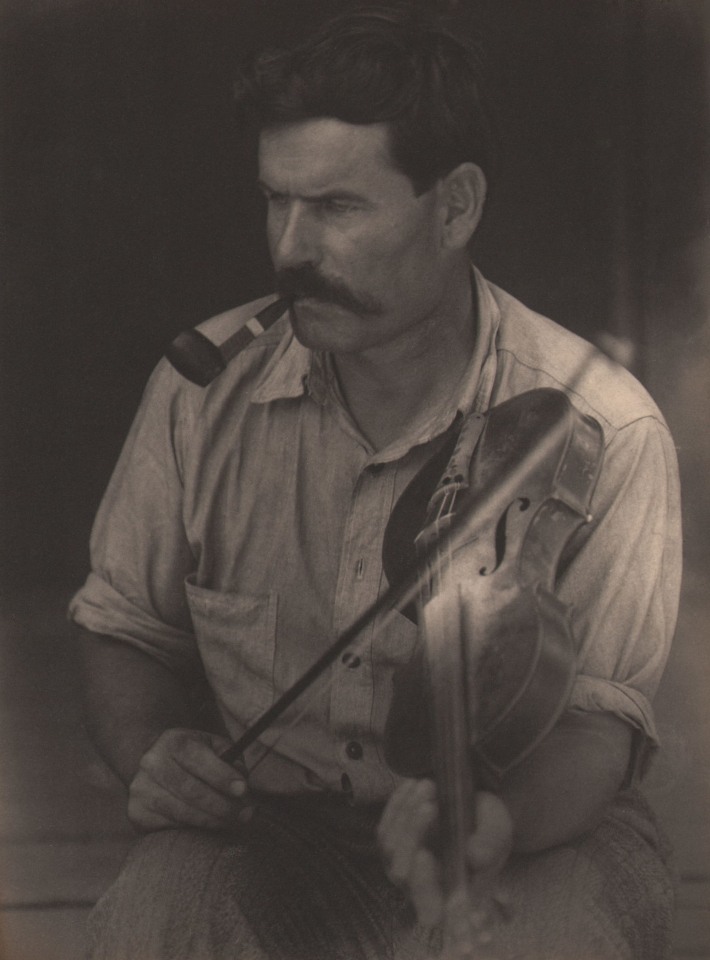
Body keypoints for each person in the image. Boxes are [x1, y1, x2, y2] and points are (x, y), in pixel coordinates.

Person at [69, 5, 682, 959]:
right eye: (278, 201)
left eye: (338, 208)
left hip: (528, 838)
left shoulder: (612, 429)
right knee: (150, 926)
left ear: (456, 206)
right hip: (271, 835)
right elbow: (122, 627)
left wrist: (494, 823)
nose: (290, 250)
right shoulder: (198, 396)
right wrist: (154, 752)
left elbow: (601, 728)